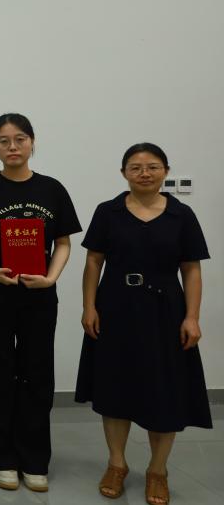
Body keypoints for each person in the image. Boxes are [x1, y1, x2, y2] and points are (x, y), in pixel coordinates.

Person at [75, 143, 211, 505]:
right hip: (115, 308)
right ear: (123, 173)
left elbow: (191, 269)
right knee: (114, 389)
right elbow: (93, 262)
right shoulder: (108, 212)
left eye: (152, 166)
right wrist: (89, 306)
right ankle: (116, 464)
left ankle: (157, 470)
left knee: (164, 392)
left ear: (166, 171)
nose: (144, 173)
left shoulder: (182, 215)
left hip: (166, 312)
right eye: (135, 167)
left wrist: (192, 316)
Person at [0, 113, 81, 492]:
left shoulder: (52, 189)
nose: (12, 147)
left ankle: (35, 459)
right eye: (3, 141)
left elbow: (63, 242)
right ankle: (3, 458)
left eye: (20, 139)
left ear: (32, 142)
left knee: (37, 373)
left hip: (39, 295)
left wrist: (51, 277)